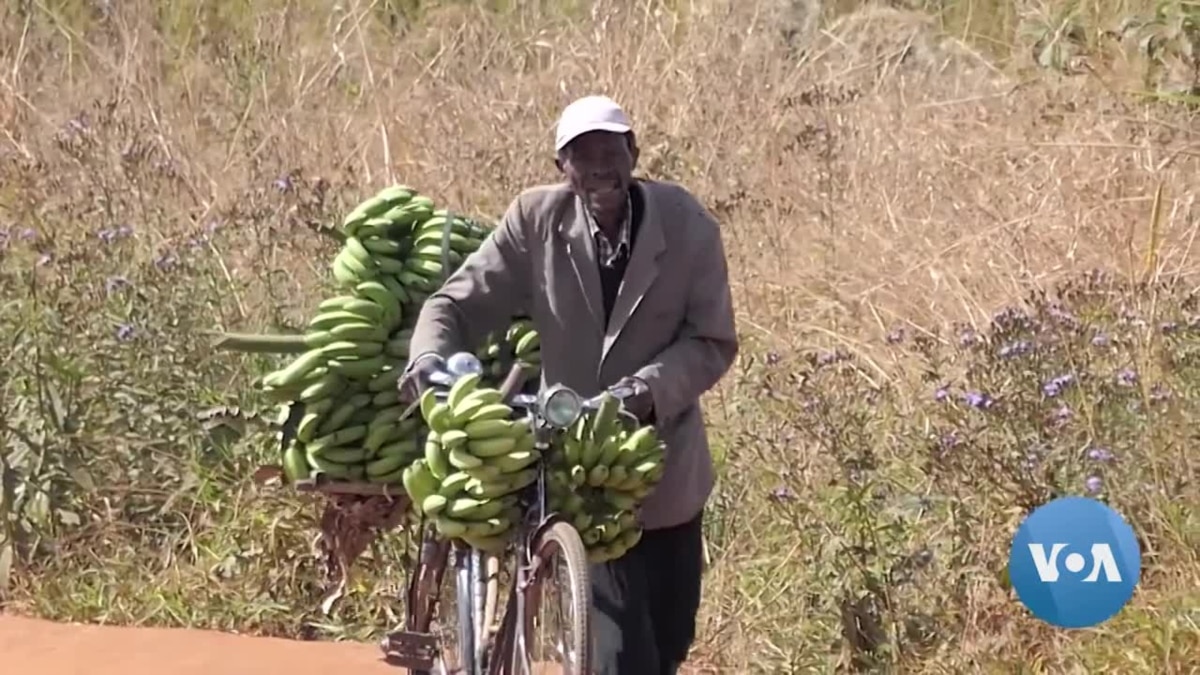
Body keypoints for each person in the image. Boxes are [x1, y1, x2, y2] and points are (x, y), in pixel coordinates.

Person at [399, 94, 739, 675]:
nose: (599, 167)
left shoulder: (687, 226)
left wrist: (644, 392)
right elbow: (457, 302)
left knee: (669, 639)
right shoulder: (536, 221)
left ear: (634, 153)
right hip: (579, 473)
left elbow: (711, 341)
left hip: (663, 468)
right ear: (563, 167)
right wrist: (431, 358)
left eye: (611, 151)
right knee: (620, 657)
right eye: (582, 156)